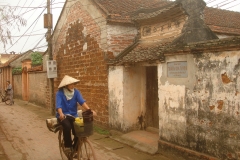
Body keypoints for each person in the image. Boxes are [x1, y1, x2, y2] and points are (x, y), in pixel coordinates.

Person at [56, 75, 96, 152]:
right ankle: (68, 146)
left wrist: (89, 110)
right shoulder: (60, 93)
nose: (72, 85)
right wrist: (61, 113)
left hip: (74, 115)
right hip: (63, 116)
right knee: (67, 126)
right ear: (66, 85)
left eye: (73, 84)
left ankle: (75, 150)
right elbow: (59, 105)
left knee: (80, 130)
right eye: (71, 84)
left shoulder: (76, 92)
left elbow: (82, 102)